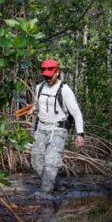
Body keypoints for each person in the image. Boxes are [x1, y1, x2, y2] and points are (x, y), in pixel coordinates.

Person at [30, 58, 85, 197]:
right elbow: (38, 105)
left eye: (50, 76)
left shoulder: (65, 90)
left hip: (58, 130)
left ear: (57, 72)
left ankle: (44, 194)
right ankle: (56, 186)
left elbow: (76, 113)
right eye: (45, 76)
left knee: (50, 162)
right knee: (36, 161)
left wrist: (80, 134)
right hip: (41, 129)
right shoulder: (39, 87)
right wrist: (33, 109)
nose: (48, 79)